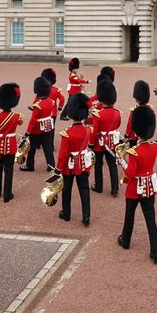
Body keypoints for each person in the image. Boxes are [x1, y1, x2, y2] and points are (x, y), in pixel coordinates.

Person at [117, 104, 157, 264]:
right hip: (149, 187)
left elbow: (131, 173)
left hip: (135, 190)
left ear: (136, 131)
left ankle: (126, 240)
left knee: (130, 216)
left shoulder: (134, 152)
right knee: (150, 218)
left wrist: (122, 161)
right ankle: (155, 249)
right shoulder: (155, 147)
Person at [55, 93, 93, 225]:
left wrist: (58, 169)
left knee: (67, 190)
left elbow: (62, 154)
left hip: (69, 165)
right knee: (84, 189)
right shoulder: (88, 130)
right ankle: (86, 216)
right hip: (82, 163)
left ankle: (66, 214)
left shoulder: (67, 133)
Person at [90, 78, 121, 196]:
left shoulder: (98, 114)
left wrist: (91, 144)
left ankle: (99, 186)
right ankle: (115, 189)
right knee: (112, 164)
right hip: (111, 142)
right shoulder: (117, 113)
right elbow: (117, 125)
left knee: (98, 164)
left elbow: (94, 131)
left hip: (99, 144)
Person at [21, 75, 57, 171]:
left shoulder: (38, 105)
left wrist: (27, 133)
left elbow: (33, 120)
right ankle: (51, 165)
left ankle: (29, 165)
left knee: (31, 148)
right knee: (48, 147)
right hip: (48, 127)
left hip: (37, 130)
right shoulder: (51, 102)